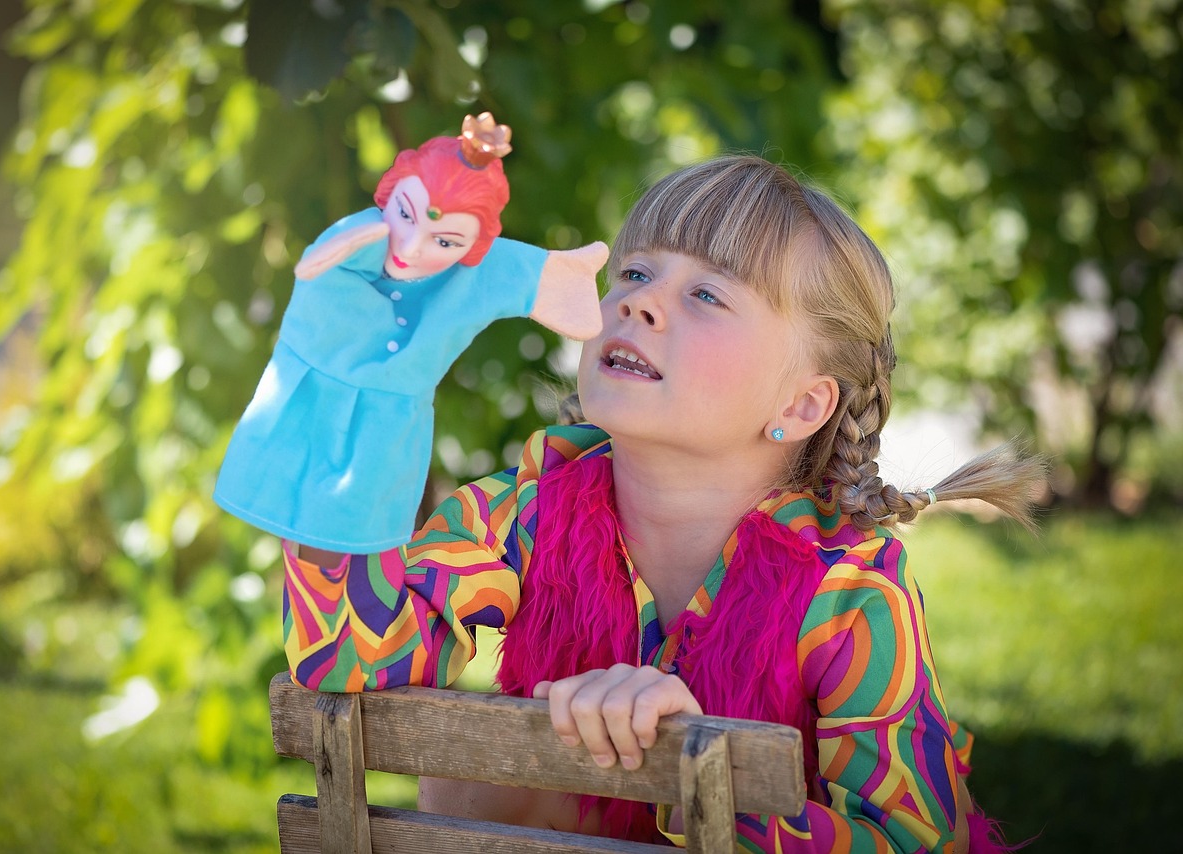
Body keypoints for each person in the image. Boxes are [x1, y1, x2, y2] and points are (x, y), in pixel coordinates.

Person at [281, 155, 1045, 852]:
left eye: (707, 294)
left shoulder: (849, 594)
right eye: (635, 272)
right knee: (477, 793)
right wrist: (346, 435)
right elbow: (351, 659)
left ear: (802, 404)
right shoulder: (525, 511)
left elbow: (914, 842)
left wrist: (694, 771)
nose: (639, 303)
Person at [214, 113, 604, 553]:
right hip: (306, 400)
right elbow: (316, 262)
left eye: (445, 241)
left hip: (387, 433)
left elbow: (544, 280)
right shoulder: (356, 242)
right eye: (405, 214)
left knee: (357, 550)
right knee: (303, 539)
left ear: (473, 247)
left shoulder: (476, 273)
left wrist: (575, 283)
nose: (413, 246)